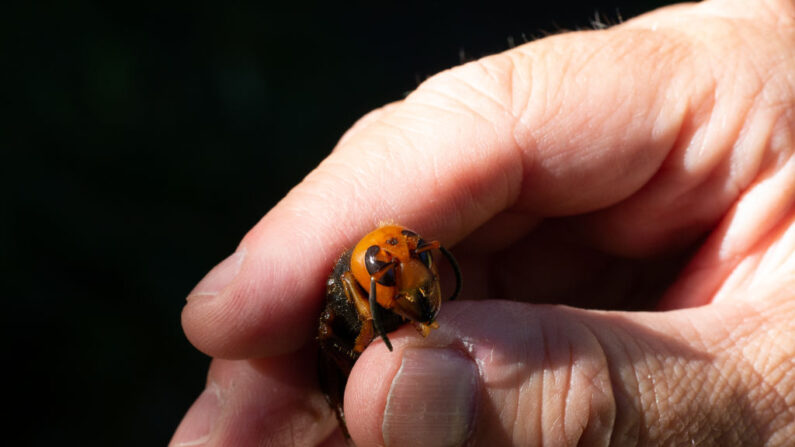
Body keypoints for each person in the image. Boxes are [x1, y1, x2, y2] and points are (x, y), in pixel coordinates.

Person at [171, 0, 795, 445]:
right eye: (392, 265)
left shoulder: (405, 257)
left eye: (408, 255)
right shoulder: (361, 286)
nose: (403, 265)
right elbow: (349, 327)